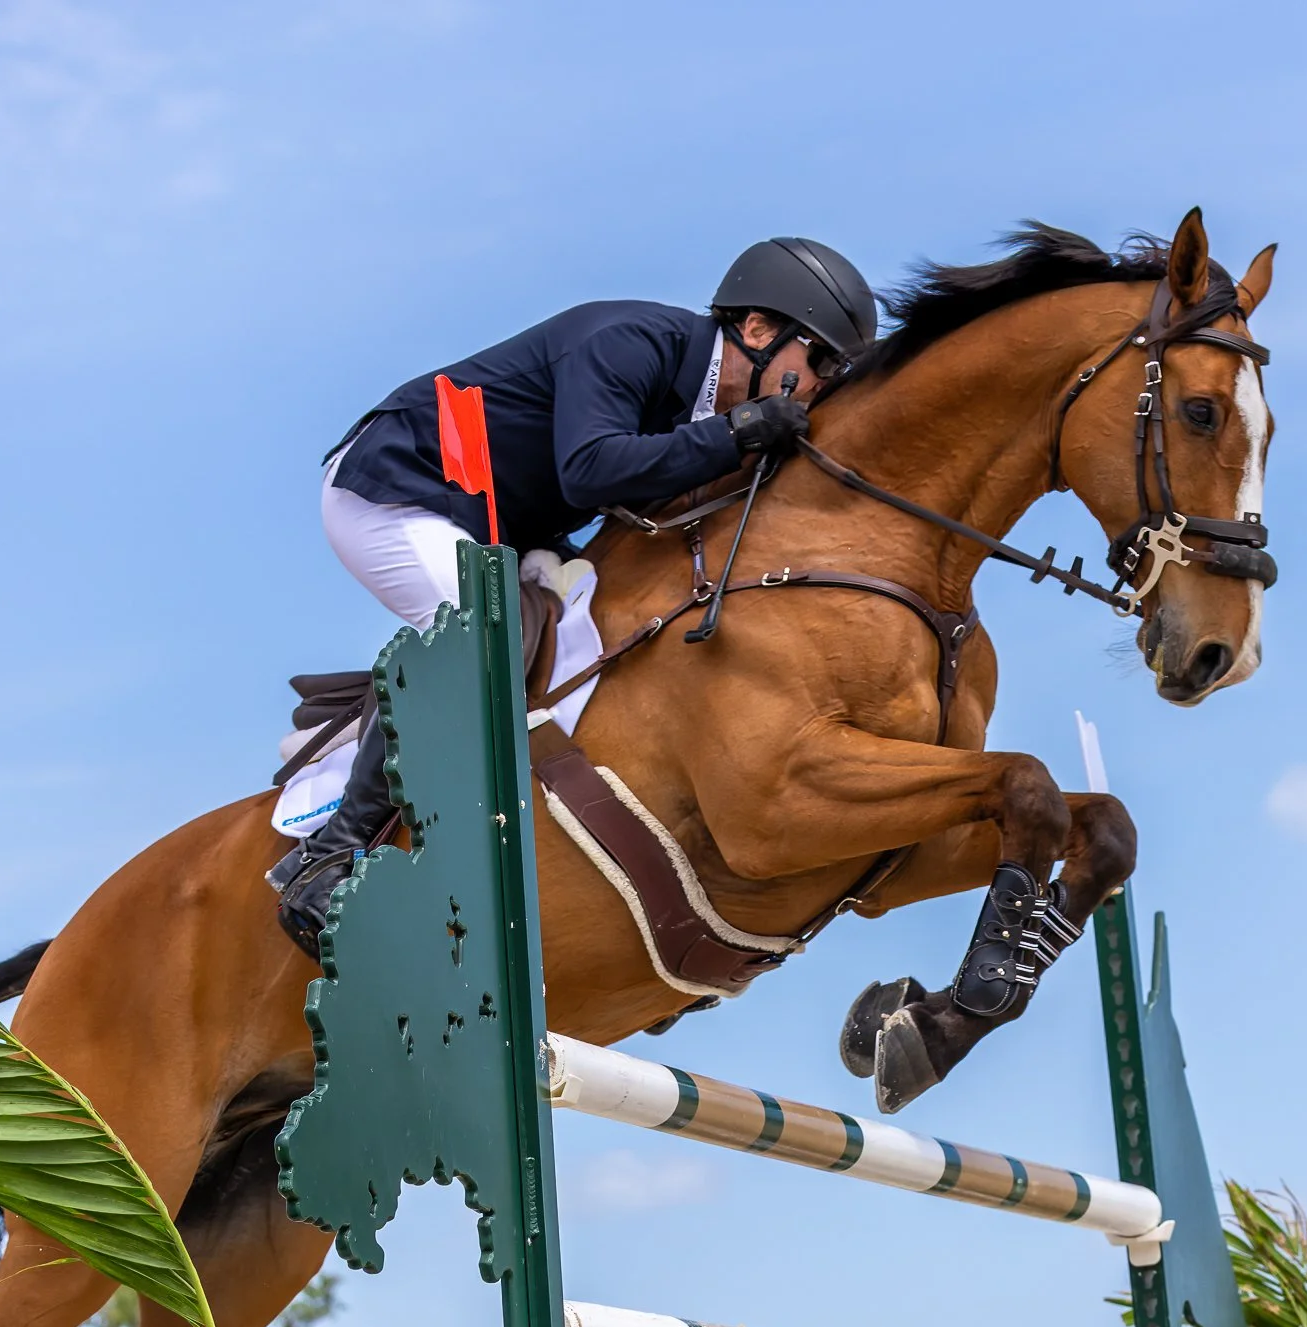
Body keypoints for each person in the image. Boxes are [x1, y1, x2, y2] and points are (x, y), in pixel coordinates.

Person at [268, 237, 880, 947]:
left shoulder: (704, 401)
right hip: (396, 489)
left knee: (593, 629)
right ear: (757, 331)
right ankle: (330, 855)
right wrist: (737, 433)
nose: (822, 387)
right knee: (479, 632)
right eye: (822, 363)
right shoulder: (629, 341)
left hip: (504, 528)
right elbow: (590, 470)